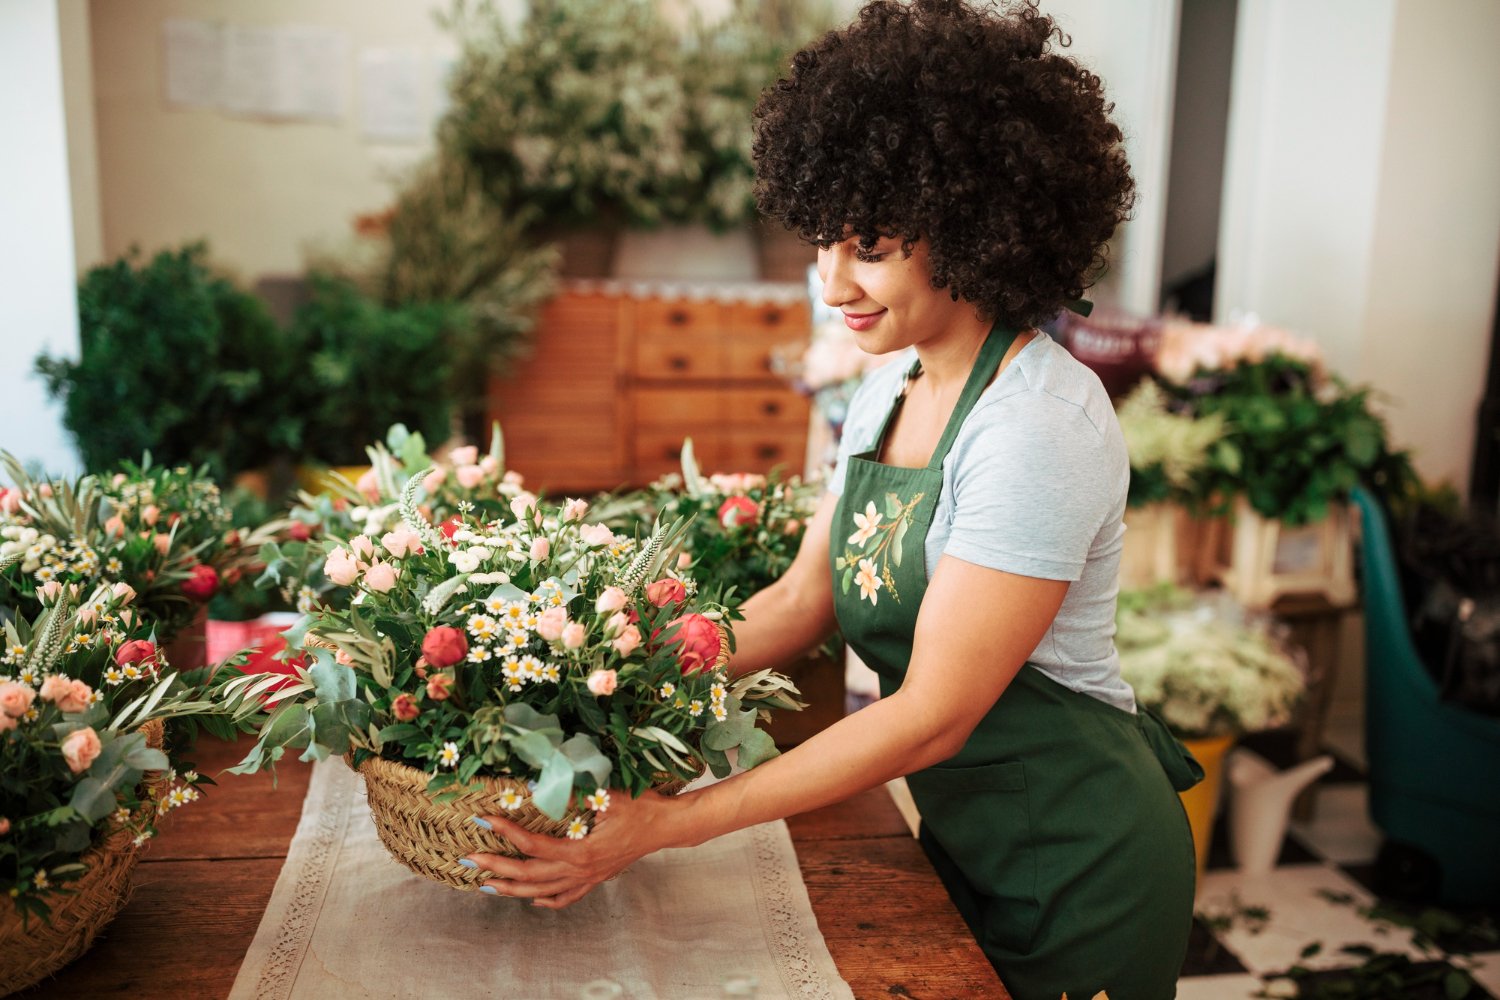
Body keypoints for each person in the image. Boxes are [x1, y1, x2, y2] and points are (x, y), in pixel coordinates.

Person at [468, 2, 1202, 996]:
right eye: (821, 240)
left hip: (1082, 868)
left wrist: (668, 825)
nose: (833, 283)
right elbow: (795, 604)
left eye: (867, 245)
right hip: (965, 837)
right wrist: (582, 667)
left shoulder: (1036, 427)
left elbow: (933, 716)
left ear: (975, 224)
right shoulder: (886, 388)